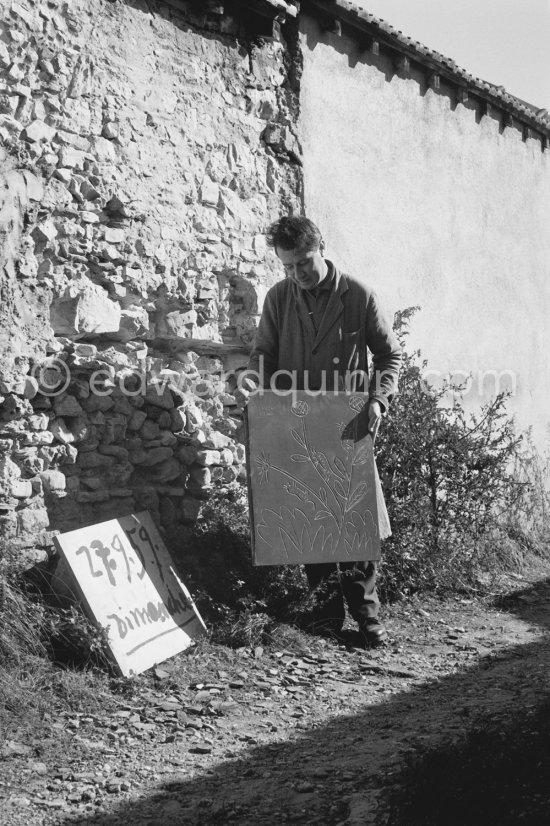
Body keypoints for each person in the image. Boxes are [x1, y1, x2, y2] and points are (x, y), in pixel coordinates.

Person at [238, 216, 402, 646]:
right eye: (288, 267)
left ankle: (368, 619)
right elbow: (263, 356)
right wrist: (255, 387)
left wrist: (378, 400)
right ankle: (327, 618)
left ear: (321, 248)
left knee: (356, 523)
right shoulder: (278, 298)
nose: (298, 275)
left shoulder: (358, 296)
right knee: (310, 520)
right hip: (298, 425)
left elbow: (389, 358)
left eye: (304, 263)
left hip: (348, 425)